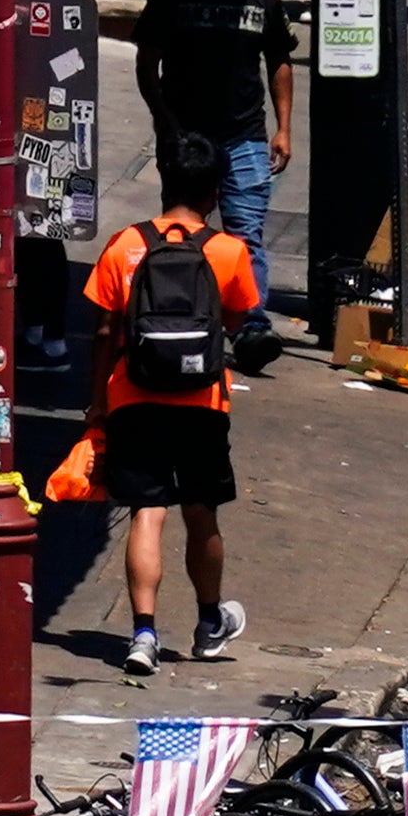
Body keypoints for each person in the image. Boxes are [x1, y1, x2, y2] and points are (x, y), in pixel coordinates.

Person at [90, 137, 260, 684]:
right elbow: (235, 322)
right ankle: (209, 624)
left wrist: (97, 401)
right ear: (214, 193)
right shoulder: (229, 251)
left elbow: (105, 329)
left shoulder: (125, 245)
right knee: (201, 512)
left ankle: (143, 634)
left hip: (133, 396)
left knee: (147, 513)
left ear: (164, 183)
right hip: (203, 400)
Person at [131, 0, 296, 267]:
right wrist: (163, 118)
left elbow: (279, 61)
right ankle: (181, 308)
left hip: (244, 137)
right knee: (180, 232)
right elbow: (147, 63)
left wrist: (284, 128)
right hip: (184, 136)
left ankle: (249, 319)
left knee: (245, 238)